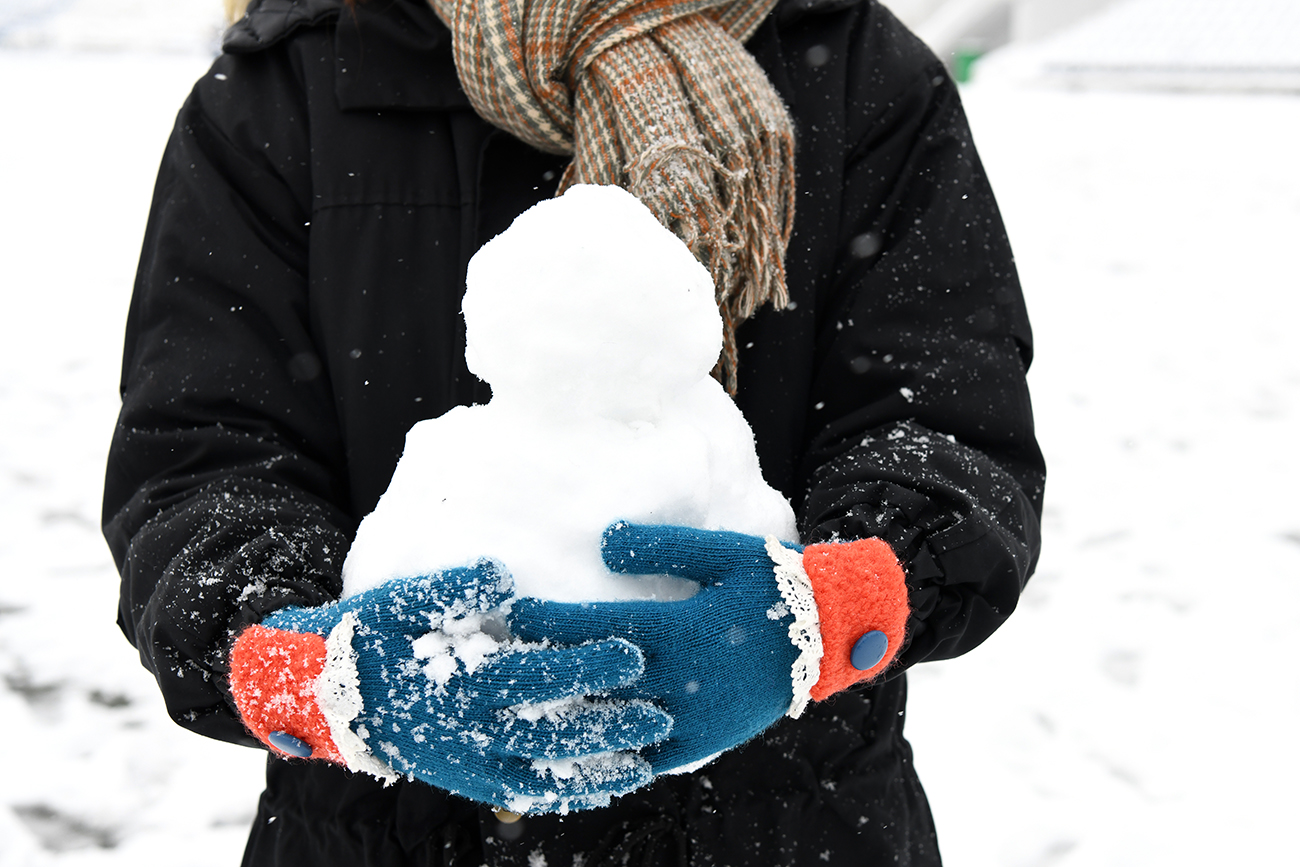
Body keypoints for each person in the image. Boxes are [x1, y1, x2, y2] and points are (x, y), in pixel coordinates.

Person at [103, 0, 1044, 864]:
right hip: (372, 837)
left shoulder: (855, 68)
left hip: (795, 821)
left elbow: (947, 434)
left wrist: (817, 621)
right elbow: (199, 461)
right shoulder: (290, 88)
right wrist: (330, 676)